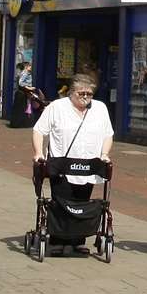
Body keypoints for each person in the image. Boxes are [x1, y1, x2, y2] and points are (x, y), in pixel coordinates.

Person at [30, 74, 114, 252]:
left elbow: (108, 133)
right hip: (62, 164)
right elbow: (39, 130)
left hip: (89, 164)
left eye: (89, 94)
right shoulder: (56, 107)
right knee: (62, 202)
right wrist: (38, 153)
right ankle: (58, 240)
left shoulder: (100, 108)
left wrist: (105, 154)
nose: (85, 98)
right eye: (81, 93)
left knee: (82, 203)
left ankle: (77, 241)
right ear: (71, 92)